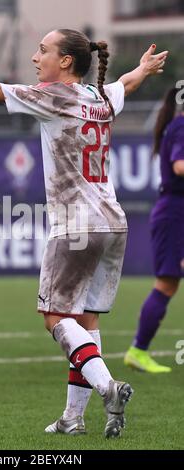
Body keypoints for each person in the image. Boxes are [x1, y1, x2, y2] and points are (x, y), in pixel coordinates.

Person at [0, 29, 168, 437]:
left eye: (43, 50)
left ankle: (107, 386)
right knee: (85, 319)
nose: (34, 57)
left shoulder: (54, 97)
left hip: (77, 224)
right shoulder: (100, 98)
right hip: (114, 222)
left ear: (65, 62)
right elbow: (124, 83)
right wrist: (143, 69)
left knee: (54, 317)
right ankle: (73, 419)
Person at [124, 88, 184, 374]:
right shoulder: (182, 125)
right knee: (166, 283)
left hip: (175, 212)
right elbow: (180, 166)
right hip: (175, 215)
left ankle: (139, 350)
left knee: (168, 284)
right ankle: (138, 350)